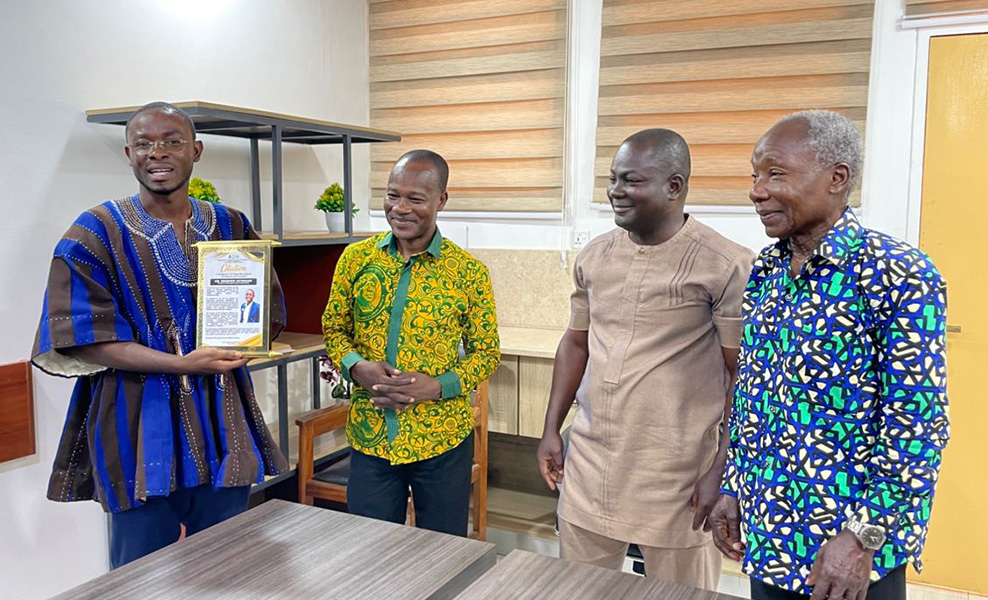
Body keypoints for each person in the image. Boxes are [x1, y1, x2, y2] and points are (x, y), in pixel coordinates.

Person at [32, 102, 288, 568]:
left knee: (228, 565)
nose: (158, 153)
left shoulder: (230, 224)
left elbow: (263, 311)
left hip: (220, 420)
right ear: (128, 154)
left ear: (196, 150)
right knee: (139, 576)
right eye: (144, 144)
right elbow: (84, 337)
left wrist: (241, 345)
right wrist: (181, 363)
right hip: (135, 426)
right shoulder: (95, 232)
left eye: (172, 141)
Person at [709, 110, 949, 600]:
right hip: (771, 535)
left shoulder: (897, 273)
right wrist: (733, 486)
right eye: (755, 176)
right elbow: (754, 397)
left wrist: (862, 539)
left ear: (836, 178)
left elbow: (918, 426)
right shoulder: (767, 270)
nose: (757, 191)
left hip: (848, 549)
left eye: (775, 174)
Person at [536, 129, 754, 590]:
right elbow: (576, 344)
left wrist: (722, 467)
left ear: (674, 186)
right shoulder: (596, 256)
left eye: (631, 180)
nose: (616, 191)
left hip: (677, 471)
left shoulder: (726, 264)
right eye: (613, 179)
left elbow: (743, 375)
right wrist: (551, 428)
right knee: (579, 590)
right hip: (590, 460)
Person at [322, 149, 500, 536]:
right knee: (370, 550)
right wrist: (357, 367)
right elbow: (333, 329)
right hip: (371, 436)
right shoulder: (355, 260)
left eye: (415, 198)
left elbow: (487, 353)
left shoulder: (468, 273)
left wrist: (437, 386)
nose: (400, 208)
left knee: (442, 552)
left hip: (442, 440)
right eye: (392, 195)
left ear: (441, 200)